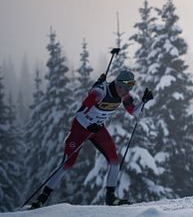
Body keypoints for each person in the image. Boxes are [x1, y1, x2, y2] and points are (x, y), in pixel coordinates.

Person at [30, 70, 153, 208]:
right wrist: (95, 88)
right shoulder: (101, 91)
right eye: (126, 89)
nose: (127, 92)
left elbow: (133, 112)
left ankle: (110, 198)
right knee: (67, 164)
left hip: (98, 129)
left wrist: (143, 101)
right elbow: (85, 106)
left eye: (130, 89)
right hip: (80, 129)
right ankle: (41, 198)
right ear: (118, 85)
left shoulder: (124, 95)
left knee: (114, 160)